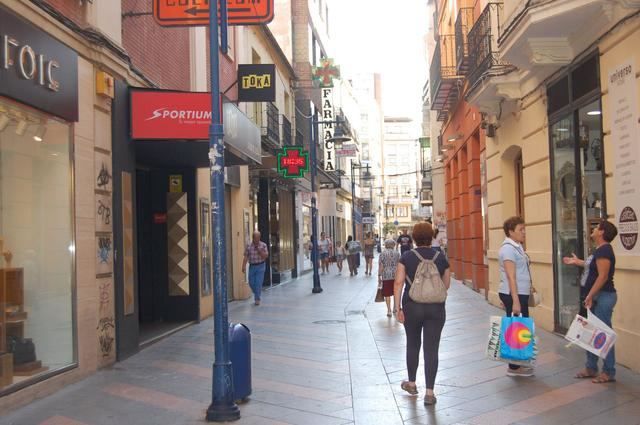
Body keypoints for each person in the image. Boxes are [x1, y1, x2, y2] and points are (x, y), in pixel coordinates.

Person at [394, 222, 450, 406]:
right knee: (432, 348)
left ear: (414, 238)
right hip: (436, 307)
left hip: (412, 306)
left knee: (413, 344)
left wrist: (397, 309)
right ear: (431, 237)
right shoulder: (440, 257)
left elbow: (398, 283)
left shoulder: (407, 257)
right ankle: (430, 393)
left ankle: (411, 383)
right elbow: (446, 284)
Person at [573, 220, 618, 384]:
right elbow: (593, 267)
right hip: (596, 296)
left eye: (597, 227)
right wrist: (578, 262)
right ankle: (591, 367)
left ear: (602, 232)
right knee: (590, 331)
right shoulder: (600, 250)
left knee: (603, 334)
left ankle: (608, 371)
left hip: (603, 296)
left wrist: (590, 295)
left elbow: (603, 276)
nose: (593, 228)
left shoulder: (605, 250)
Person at [498, 216, 533, 377]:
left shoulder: (517, 247)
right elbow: (511, 276)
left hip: (520, 292)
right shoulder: (508, 249)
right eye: (521, 229)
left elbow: (521, 271)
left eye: (524, 229)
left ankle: (518, 363)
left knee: (520, 328)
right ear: (511, 232)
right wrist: (516, 301)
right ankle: (513, 367)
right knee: (516, 329)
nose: (524, 232)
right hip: (515, 294)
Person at [563, 251, 594, 317]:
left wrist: (590, 295)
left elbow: (602, 275)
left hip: (592, 291)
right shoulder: (597, 250)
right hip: (586, 290)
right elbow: (589, 264)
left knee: (595, 321)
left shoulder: (602, 250)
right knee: (583, 317)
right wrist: (577, 261)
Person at [242, 231, 269, 306]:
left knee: (258, 283)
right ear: (253, 238)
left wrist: (259, 251)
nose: (257, 239)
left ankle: (257, 298)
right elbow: (246, 257)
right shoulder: (248, 246)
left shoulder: (263, 245)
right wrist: (243, 266)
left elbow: (266, 256)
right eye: (255, 238)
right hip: (252, 266)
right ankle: (257, 293)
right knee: (251, 282)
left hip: (261, 266)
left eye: (258, 238)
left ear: (260, 237)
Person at [378, 239, 400, 317]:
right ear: (393, 245)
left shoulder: (383, 254)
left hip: (386, 275)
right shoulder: (397, 253)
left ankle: (389, 310)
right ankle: (395, 308)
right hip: (396, 275)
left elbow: (381, 265)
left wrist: (379, 276)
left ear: (386, 245)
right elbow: (399, 265)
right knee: (395, 292)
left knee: (387, 293)